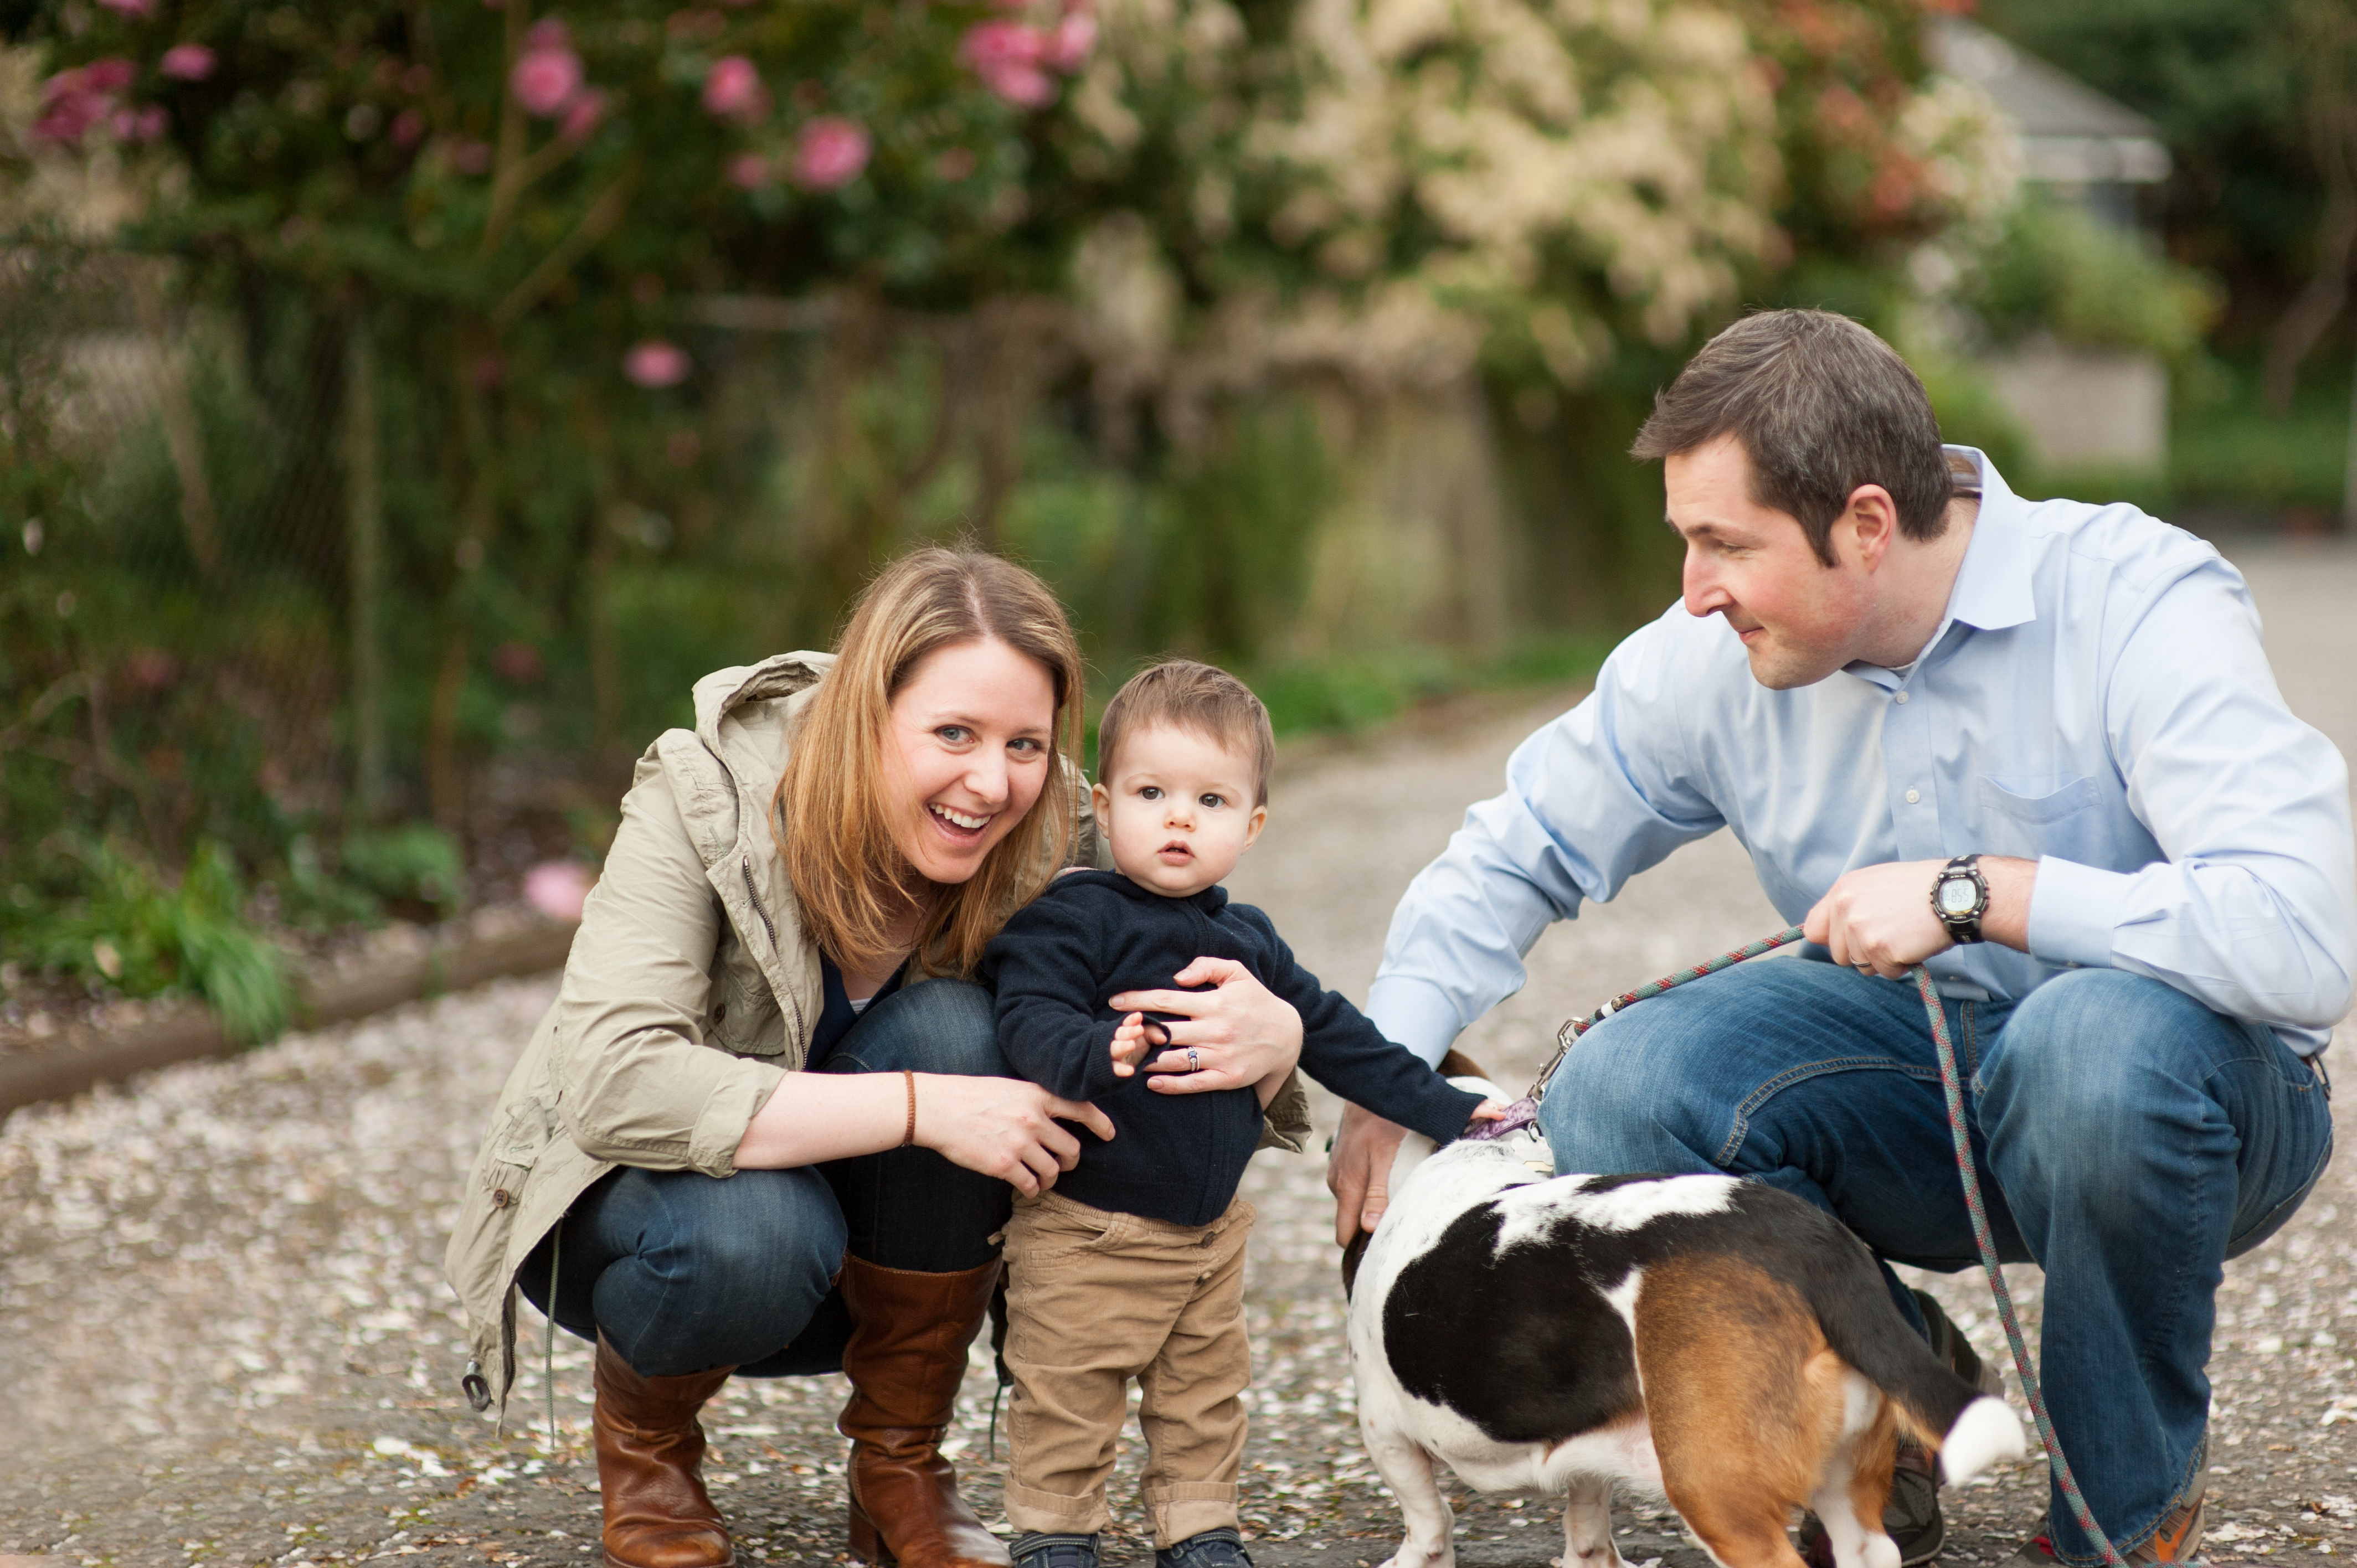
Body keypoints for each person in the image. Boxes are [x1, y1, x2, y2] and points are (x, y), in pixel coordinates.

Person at [1324, 310, 2348, 1568]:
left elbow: (2305, 936)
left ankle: (2116, 1511)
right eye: (1684, 542)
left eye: (1722, 545)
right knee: (1619, 1085)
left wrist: (1984, 893)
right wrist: (1386, 1075)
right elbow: (1513, 848)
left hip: (2187, 1098)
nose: (1694, 588)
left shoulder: (2136, 599)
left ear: (1866, 522)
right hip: (1910, 1085)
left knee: (2089, 1039)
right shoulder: (1705, 657)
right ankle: (1889, 1420)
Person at [444, 550, 1314, 1568]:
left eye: (1025, 744)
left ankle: (900, 1466)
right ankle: (649, 1451)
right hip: (664, 1239)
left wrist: (1279, 1036)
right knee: (772, 1220)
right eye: (953, 733)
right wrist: (921, 1108)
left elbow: (1215, 979)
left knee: (966, 1028)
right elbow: (614, 1080)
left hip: (890, 1262)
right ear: (867, 714)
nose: (991, 783)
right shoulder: (707, 796)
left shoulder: (1065, 833)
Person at [979, 660, 1500, 1568]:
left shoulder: (1248, 940)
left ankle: (1199, 1527)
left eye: (1211, 801)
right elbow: (1028, 1018)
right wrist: (1098, 1050)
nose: (1179, 817)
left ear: (1252, 824)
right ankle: (1055, 1534)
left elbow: (1340, 1038)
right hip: (1085, 1230)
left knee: (1205, 1395)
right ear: (1102, 804)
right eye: (1152, 792)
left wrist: (1455, 1113)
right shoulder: (1070, 922)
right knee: (1069, 1391)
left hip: (1208, 1237)